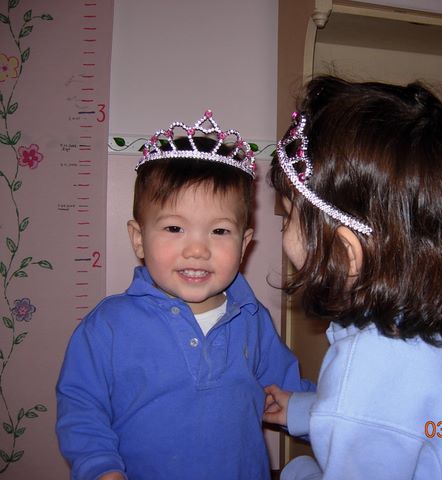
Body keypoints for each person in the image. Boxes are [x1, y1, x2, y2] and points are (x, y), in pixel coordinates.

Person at [262, 76, 442, 479]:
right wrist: (302, 410)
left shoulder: (368, 367)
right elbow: (401, 413)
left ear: (345, 253)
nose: (283, 233)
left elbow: (375, 407)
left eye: (287, 217)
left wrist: (298, 472)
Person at [56, 110, 314, 480]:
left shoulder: (251, 317)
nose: (197, 250)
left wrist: (336, 414)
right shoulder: (107, 327)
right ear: (138, 239)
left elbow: (288, 391)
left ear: (244, 244)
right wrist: (100, 469)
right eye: (175, 228)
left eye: (219, 231)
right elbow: (81, 409)